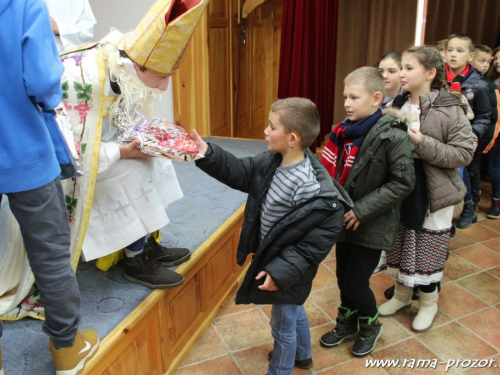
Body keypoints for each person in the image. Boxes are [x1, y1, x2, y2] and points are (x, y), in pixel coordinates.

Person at [0, 0, 210, 319]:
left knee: (155, 161)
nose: (165, 85)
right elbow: (74, 150)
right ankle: (134, 259)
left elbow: (118, 119)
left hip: (98, 150)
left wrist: (145, 142)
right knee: (132, 174)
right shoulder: (85, 79)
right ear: (137, 65)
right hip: (57, 168)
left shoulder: (119, 61)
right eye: (159, 76)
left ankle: (145, 243)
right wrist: (124, 150)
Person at [192, 98, 349, 375]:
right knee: (294, 309)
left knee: (282, 326)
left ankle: (280, 370)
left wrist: (279, 272)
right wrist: (207, 153)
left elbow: (310, 247)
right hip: (276, 258)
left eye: (271, 126)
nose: (265, 131)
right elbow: (241, 172)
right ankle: (303, 355)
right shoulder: (272, 161)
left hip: (287, 268)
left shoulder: (308, 187)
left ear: (291, 138)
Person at [0, 0, 98, 373]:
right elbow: (42, 80)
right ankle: (67, 348)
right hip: (22, 144)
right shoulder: (24, 5)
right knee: (50, 252)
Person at [319, 67, 415, 357]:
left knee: (355, 281)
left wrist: (361, 209)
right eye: (345, 96)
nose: (347, 103)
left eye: (354, 97)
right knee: (342, 276)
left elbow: (402, 182)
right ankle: (347, 322)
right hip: (343, 219)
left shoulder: (393, 136)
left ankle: (370, 325)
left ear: (376, 98)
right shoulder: (343, 132)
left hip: (371, 222)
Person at [380, 45, 475, 333]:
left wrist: (421, 143)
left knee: (426, 251)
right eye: (402, 67)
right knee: (401, 243)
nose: (402, 73)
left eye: (409, 68)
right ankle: (401, 295)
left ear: (430, 73)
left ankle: (429, 303)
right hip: (402, 189)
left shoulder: (449, 107)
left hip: (434, 194)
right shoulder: (396, 103)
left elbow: (463, 154)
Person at [445, 34, 491, 229]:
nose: (453, 55)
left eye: (459, 50)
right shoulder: (436, 77)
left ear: (471, 56)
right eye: (450, 50)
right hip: (441, 137)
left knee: (463, 176)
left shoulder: (479, 85)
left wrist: (472, 134)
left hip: (463, 139)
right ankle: (447, 219)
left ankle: (467, 208)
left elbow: (484, 116)